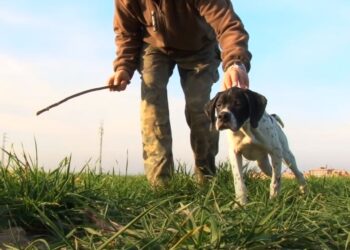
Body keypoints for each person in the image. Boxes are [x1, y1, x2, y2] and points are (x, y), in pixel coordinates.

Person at [108, 0, 251, 187]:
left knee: (200, 109)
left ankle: (206, 180)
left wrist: (235, 62)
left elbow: (228, 24)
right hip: (155, 47)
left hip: (200, 47)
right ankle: (161, 186)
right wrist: (123, 67)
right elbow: (126, 32)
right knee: (151, 107)